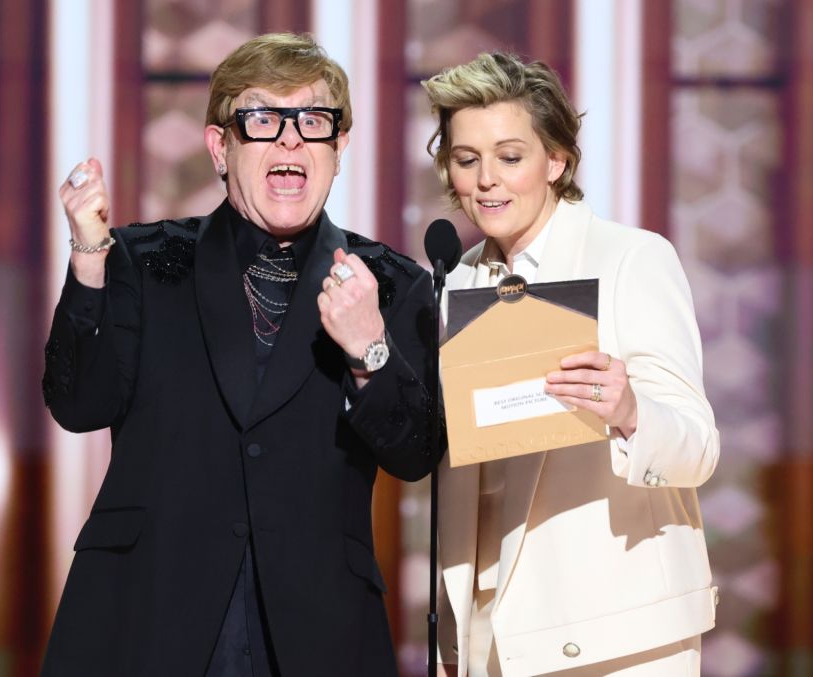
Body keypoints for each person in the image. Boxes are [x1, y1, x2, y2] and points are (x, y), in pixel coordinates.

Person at [41, 33, 439, 676]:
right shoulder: (143, 260)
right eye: (263, 120)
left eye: (313, 121)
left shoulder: (390, 281)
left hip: (315, 625)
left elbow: (416, 455)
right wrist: (88, 257)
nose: (290, 139)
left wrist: (370, 349)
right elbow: (79, 405)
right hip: (147, 609)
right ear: (220, 148)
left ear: (338, 148)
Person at [423, 53, 720, 676]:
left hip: (616, 639)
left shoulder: (629, 259)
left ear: (556, 160)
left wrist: (631, 412)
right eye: (466, 159)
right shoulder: (455, 284)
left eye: (510, 157)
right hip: (486, 638)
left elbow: (697, 451)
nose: (486, 182)